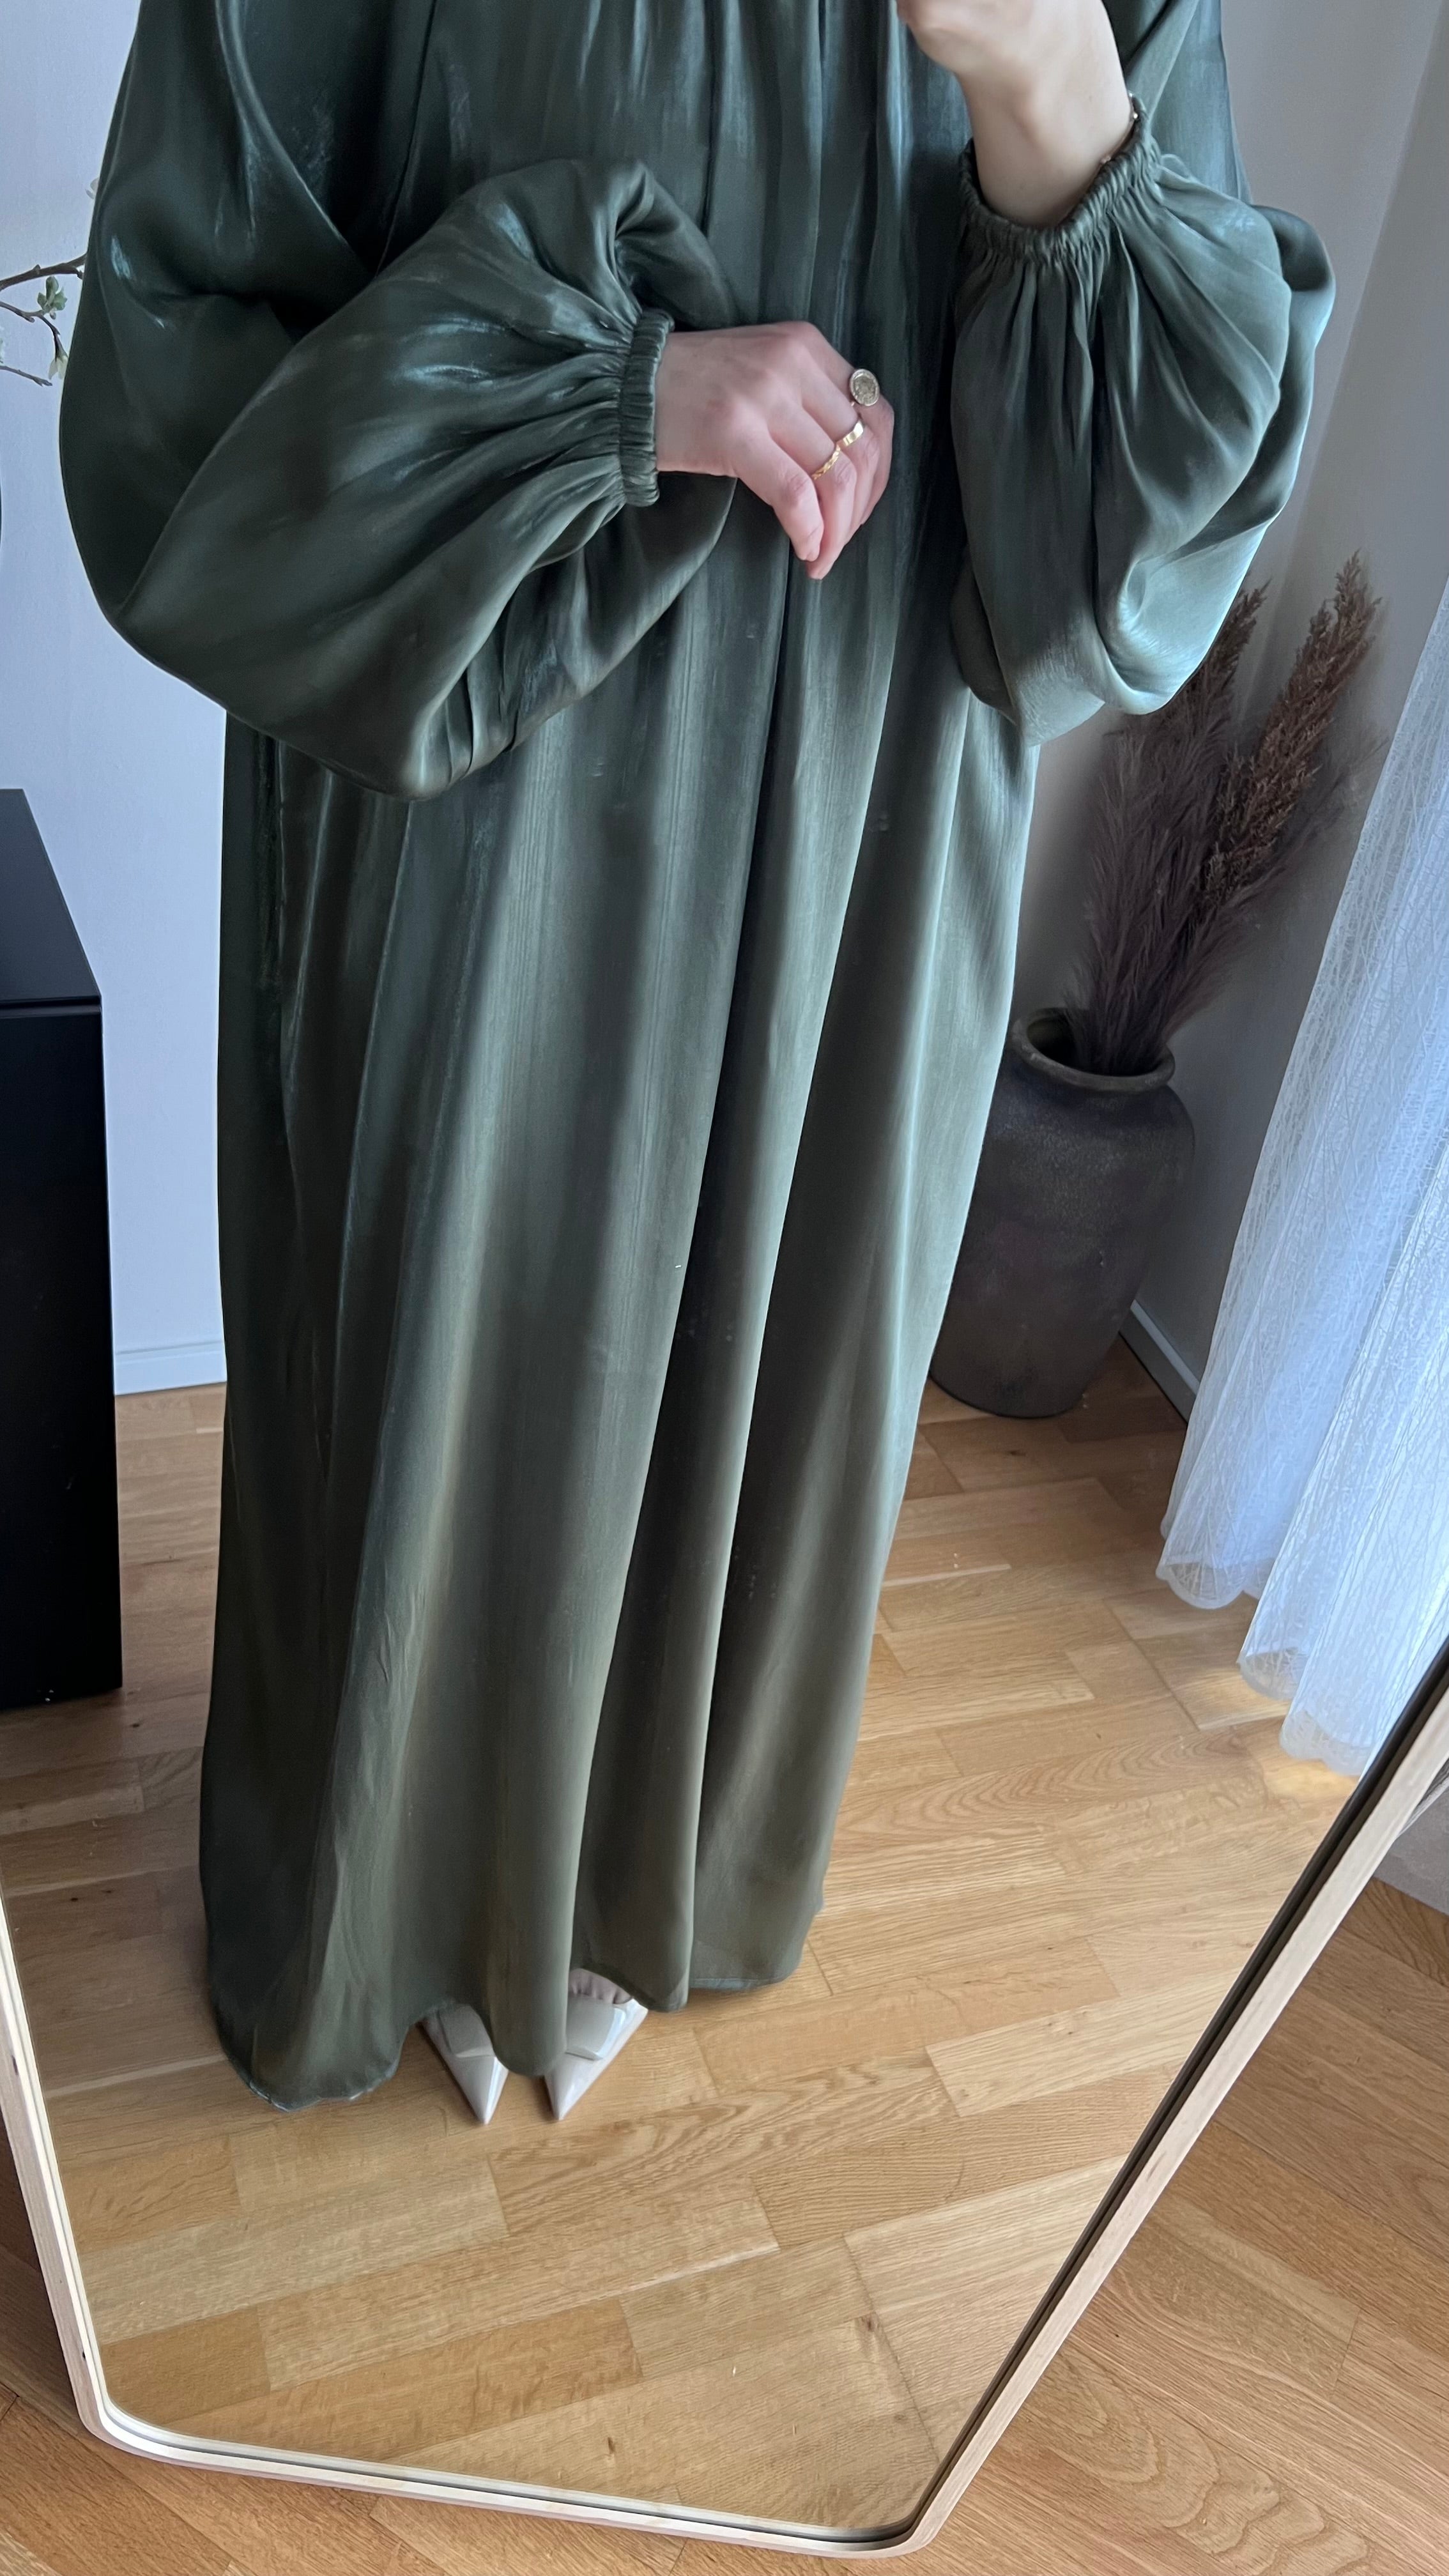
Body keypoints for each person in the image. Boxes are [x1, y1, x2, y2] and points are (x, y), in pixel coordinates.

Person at [59, 0, 1331, 2120]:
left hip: (869, 830)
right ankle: (402, 1907)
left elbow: (1125, 573)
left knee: (768, 1364)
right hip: (486, 807)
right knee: (447, 1360)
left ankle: (633, 1887)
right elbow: (173, 383)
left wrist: (1047, 91)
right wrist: (602, 396)